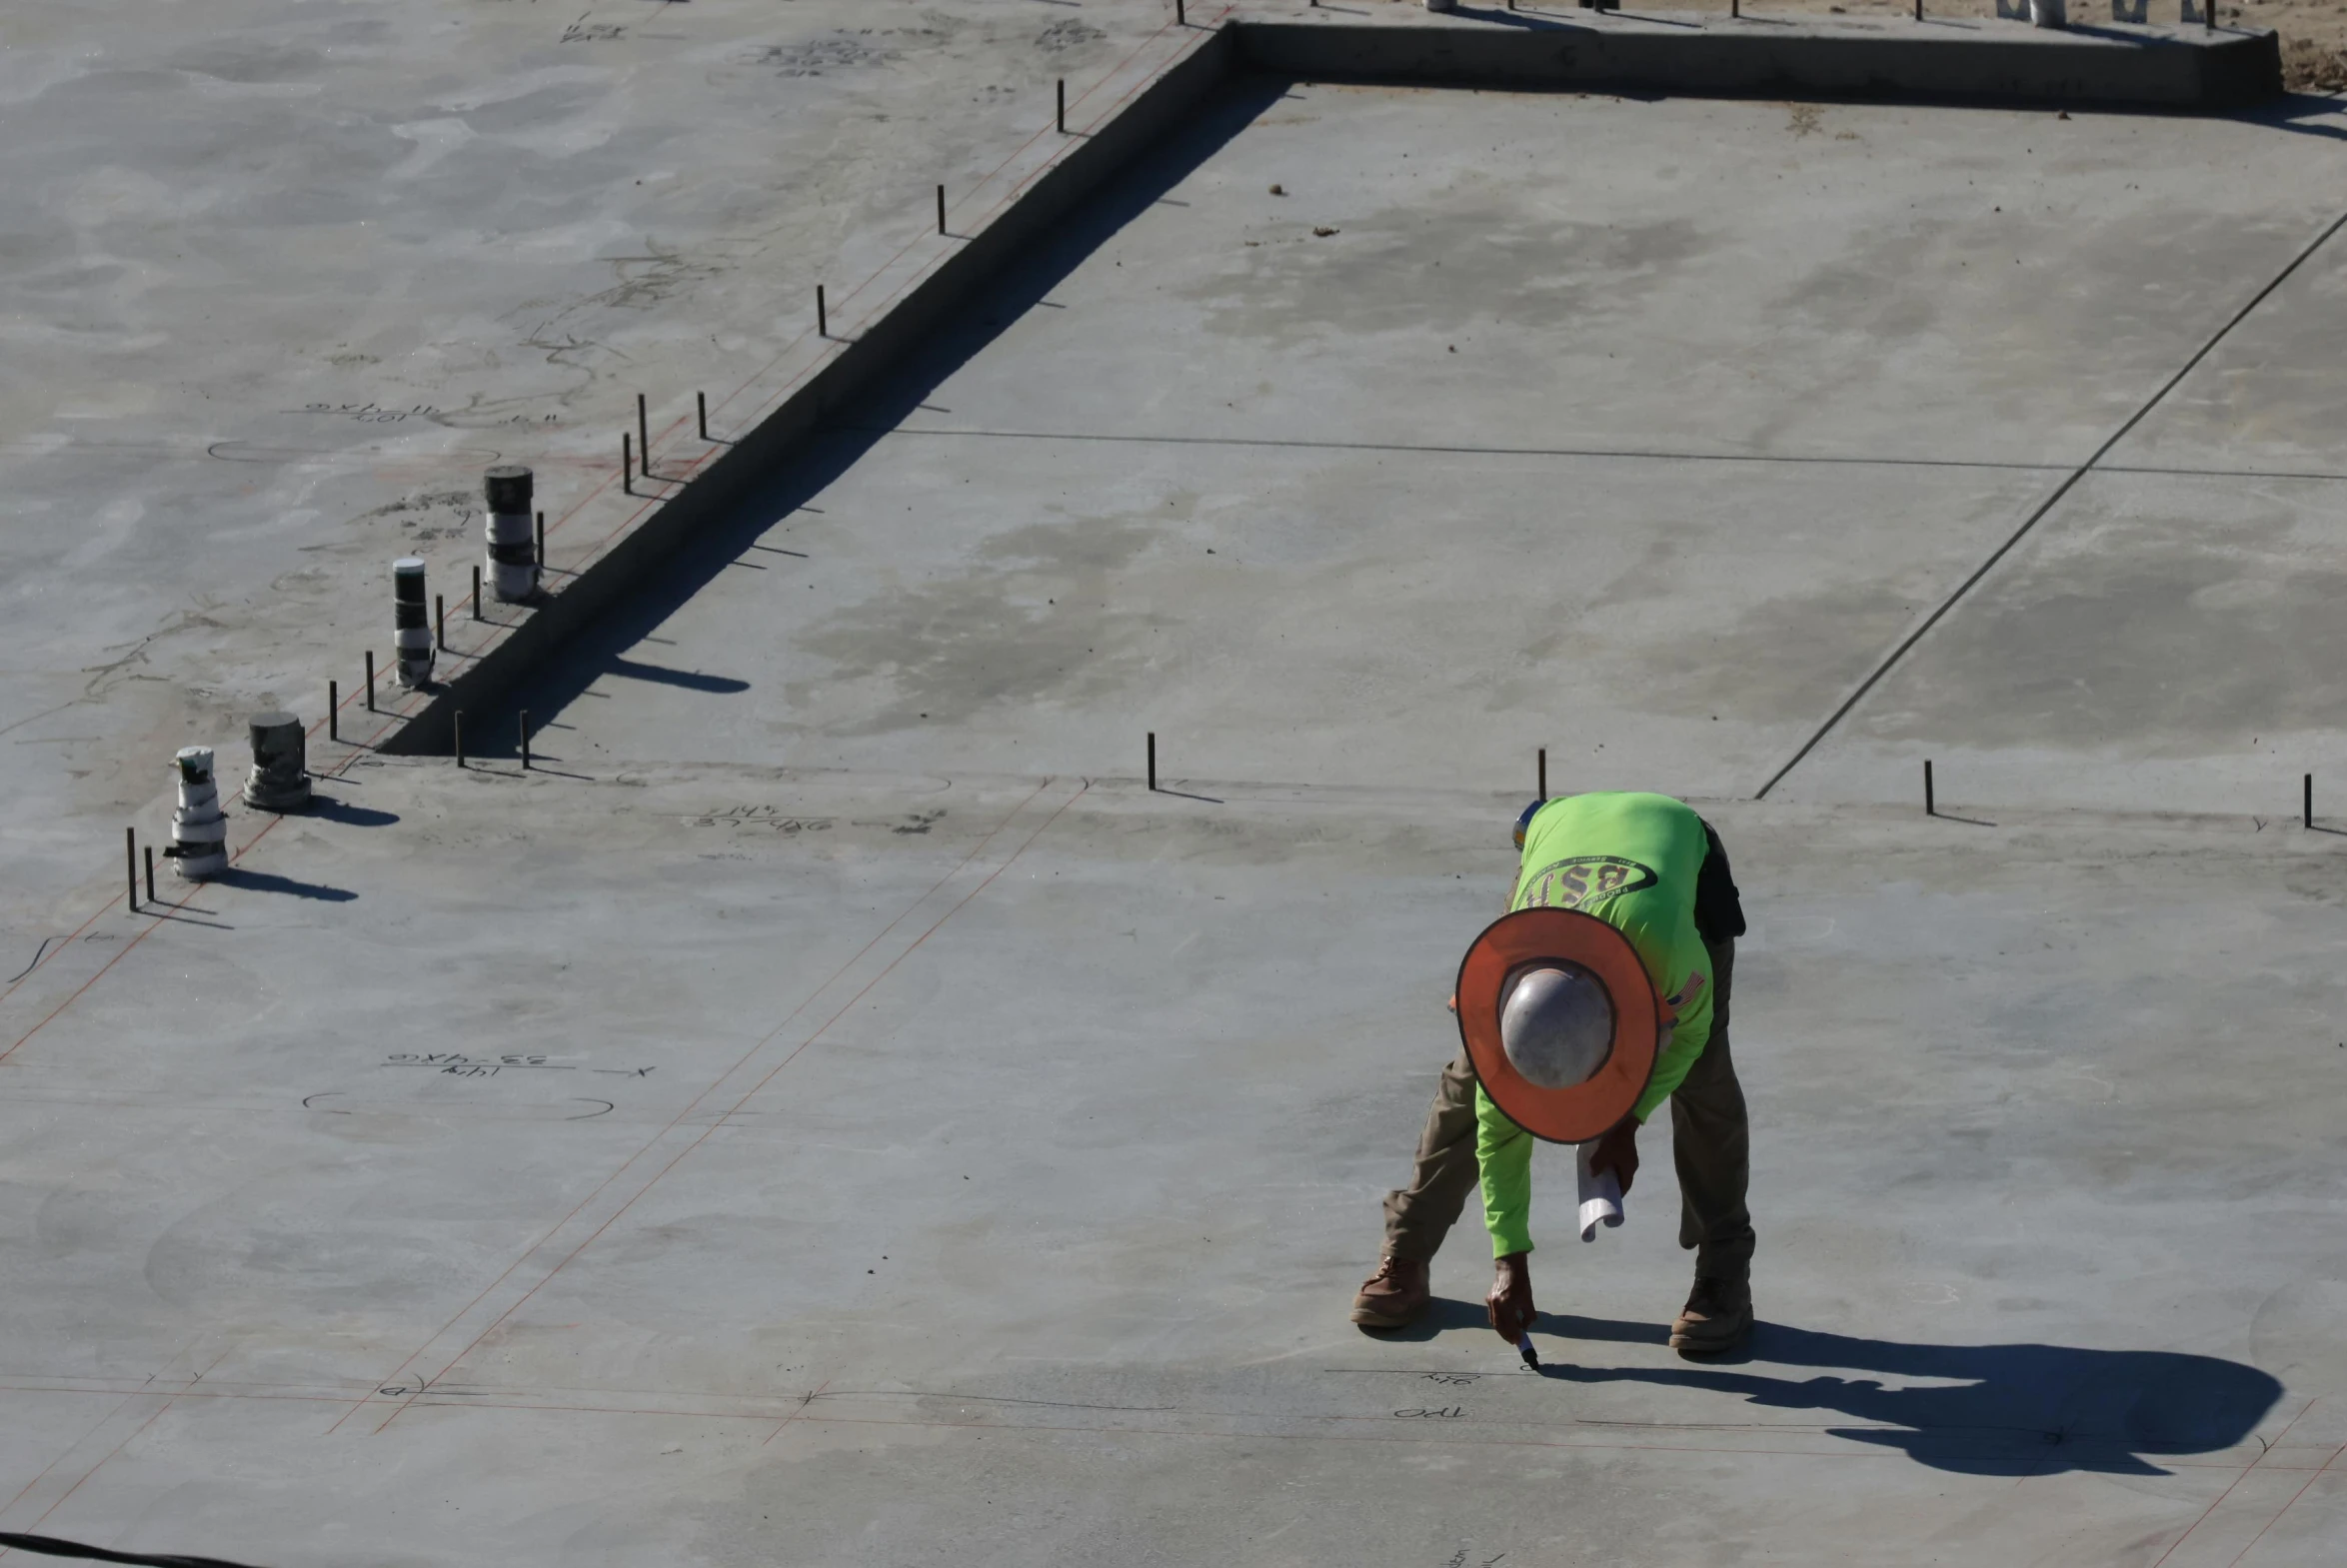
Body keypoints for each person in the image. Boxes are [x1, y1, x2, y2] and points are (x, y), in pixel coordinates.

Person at [1349, 790, 1753, 1356]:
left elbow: (1689, 1031)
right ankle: (1407, 1254)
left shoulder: (1667, 952)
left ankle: (1724, 1277)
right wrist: (1509, 1260)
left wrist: (1627, 1122)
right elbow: (1499, 1132)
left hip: (1672, 855)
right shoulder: (1496, 984)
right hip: (1561, 834)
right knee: (1471, 1084)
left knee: (1703, 1083)